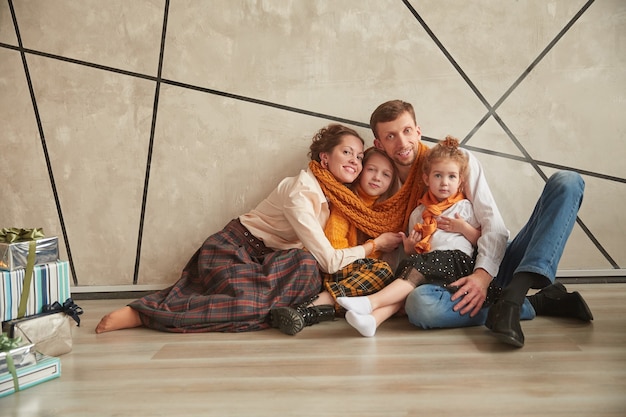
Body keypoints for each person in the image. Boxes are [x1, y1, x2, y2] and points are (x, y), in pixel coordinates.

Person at [95, 124, 401, 334]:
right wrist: (375, 245)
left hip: (269, 260)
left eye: (360, 156)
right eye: (347, 152)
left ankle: (283, 309)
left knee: (306, 272)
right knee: (252, 301)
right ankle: (145, 313)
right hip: (232, 251)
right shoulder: (301, 191)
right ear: (325, 157)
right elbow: (331, 260)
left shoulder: (339, 197)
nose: (356, 162)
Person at [367, 99, 593, 348]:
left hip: (494, 264)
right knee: (420, 307)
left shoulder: (454, 161)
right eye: (390, 136)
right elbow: (401, 252)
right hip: (444, 278)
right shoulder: (382, 185)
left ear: (418, 130)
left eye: (407, 130)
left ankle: (514, 296)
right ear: (379, 144)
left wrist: (482, 276)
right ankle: (537, 303)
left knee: (567, 182)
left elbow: (493, 225)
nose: (402, 142)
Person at [337, 136, 483, 337]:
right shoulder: (419, 213)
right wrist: (410, 249)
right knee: (408, 278)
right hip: (432, 267)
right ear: (426, 179)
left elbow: (481, 242)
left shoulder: (464, 207)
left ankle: (371, 302)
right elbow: (420, 251)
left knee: (420, 265)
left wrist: (464, 228)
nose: (444, 183)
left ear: (460, 182)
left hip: (457, 263)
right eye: (438, 176)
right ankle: (373, 320)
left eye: (451, 177)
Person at [269, 147, 404, 335]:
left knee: (394, 285)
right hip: (331, 267)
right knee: (381, 271)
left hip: (353, 276)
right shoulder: (346, 203)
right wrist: (376, 245)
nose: (377, 178)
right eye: (371, 169)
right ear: (360, 170)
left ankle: (317, 312)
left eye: (386, 174)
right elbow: (335, 247)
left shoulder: (381, 214)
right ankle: (310, 306)